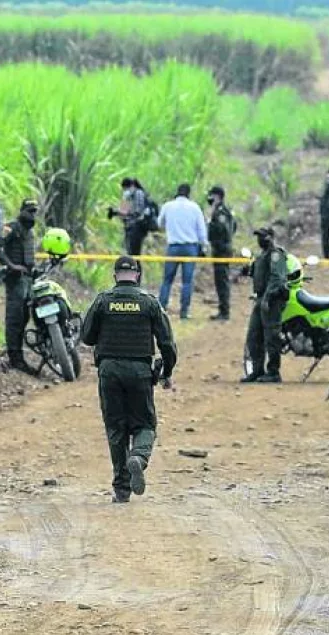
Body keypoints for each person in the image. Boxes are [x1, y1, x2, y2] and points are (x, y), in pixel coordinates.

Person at [80, 255, 177, 504]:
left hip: (109, 371)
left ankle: (121, 490)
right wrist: (167, 372)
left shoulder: (103, 301)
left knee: (116, 429)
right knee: (145, 425)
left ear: (115, 276)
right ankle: (139, 458)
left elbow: (87, 337)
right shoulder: (149, 303)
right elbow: (167, 344)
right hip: (140, 371)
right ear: (137, 276)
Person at [0, 198, 40, 373]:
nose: (32, 215)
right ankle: (15, 359)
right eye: (29, 211)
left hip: (27, 280)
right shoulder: (12, 228)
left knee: (25, 318)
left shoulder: (29, 233)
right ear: (22, 211)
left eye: (35, 211)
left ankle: (21, 357)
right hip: (15, 279)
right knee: (15, 320)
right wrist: (10, 265)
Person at [156, 183, 209, 321]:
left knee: (167, 280)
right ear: (188, 193)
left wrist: (170, 229)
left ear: (177, 192)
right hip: (190, 247)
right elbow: (201, 229)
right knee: (187, 281)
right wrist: (204, 245)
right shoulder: (195, 207)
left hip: (173, 246)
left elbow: (159, 223)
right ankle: (184, 312)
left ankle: (161, 308)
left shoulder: (168, 206)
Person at [243, 227, 289, 384]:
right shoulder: (262, 255)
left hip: (272, 301)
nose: (259, 240)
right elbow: (255, 273)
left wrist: (268, 298)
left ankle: (273, 372)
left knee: (271, 337)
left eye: (262, 237)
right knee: (254, 337)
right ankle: (257, 370)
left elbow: (277, 278)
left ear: (270, 237)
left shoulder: (276, 254)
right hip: (261, 298)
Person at [205, 185, 238, 321]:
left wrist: (210, 225)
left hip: (222, 250)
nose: (209, 199)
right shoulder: (223, 211)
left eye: (211, 196)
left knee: (222, 280)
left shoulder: (221, 212)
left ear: (217, 196)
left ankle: (224, 312)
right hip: (221, 249)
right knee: (220, 281)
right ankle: (222, 310)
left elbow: (224, 229)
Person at [112, 178, 151, 256]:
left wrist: (116, 212)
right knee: (134, 253)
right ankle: (135, 267)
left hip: (134, 227)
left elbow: (128, 211)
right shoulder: (139, 193)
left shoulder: (131, 193)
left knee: (133, 254)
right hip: (136, 228)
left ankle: (134, 267)